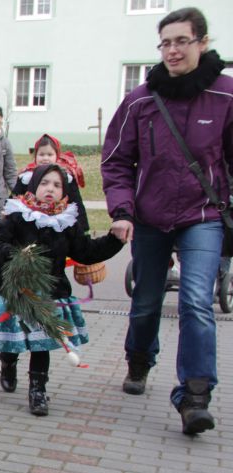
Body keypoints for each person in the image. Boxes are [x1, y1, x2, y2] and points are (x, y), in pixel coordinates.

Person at [102, 6, 233, 435]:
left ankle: (194, 396)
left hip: (203, 215)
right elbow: (116, 161)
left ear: (203, 43)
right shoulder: (141, 99)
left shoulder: (226, 95)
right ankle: (139, 359)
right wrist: (123, 210)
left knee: (196, 301)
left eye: (182, 41)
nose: (172, 50)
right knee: (146, 302)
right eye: (166, 43)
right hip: (151, 216)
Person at [0, 164, 124, 415]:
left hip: (48, 294)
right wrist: (16, 256)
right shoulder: (17, 215)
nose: (50, 189)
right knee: (12, 339)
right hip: (15, 291)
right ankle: (8, 363)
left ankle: (38, 389)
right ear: (34, 186)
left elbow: (86, 251)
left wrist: (115, 240)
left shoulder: (65, 222)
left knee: (41, 343)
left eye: (57, 185)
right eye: (45, 183)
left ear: (64, 192)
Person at [13, 134, 89, 235]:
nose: (45, 158)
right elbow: (15, 198)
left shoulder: (66, 178)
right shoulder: (26, 177)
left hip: (59, 225)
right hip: (31, 225)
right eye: (41, 154)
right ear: (35, 156)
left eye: (50, 155)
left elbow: (77, 203)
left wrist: (83, 229)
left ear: (57, 156)